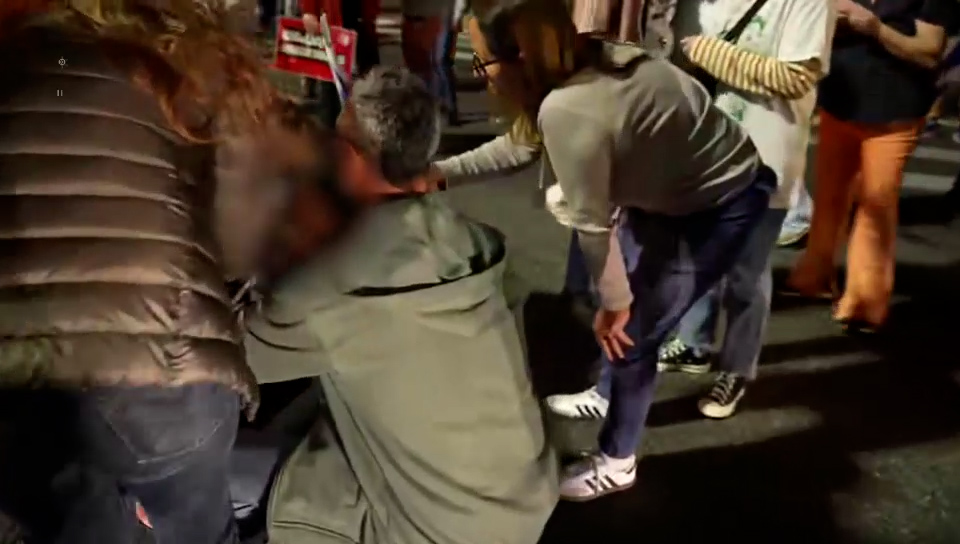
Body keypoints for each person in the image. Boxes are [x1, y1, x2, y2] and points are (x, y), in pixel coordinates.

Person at [435, 0, 774, 500]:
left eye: (483, 61)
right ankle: (607, 392)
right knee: (625, 312)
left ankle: (617, 461)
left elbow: (592, 224)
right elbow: (522, 145)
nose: (478, 74)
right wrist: (438, 175)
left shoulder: (570, 106)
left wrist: (616, 304)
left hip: (718, 204)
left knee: (631, 333)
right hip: (671, 194)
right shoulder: (589, 58)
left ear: (523, 55)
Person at [0, 2, 295, 543]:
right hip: (174, 366)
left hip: (33, 375)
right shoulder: (188, 63)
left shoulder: (18, 51)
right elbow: (244, 235)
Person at [240, 66, 558, 544]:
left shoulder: (329, 279)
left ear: (348, 158)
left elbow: (232, 355)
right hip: (518, 503)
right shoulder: (472, 240)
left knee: (199, 475)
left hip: (427, 530)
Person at [646, 0, 836, 418]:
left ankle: (737, 368)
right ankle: (692, 344)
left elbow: (795, 77)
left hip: (763, 155)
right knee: (695, 253)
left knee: (745, 273)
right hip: (702, 150)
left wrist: (706, 51)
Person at [783, 0, 960, 333]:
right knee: (829, 196)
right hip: (840, 102)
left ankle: (865, 303)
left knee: (875, 206)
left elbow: (927, 53)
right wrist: (833, 24)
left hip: (895, 113)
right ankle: (813, 277)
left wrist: (876, 29)